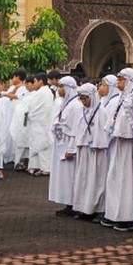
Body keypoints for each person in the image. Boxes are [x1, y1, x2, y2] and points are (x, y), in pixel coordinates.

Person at [102, 67, 133, 231]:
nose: (119, 82)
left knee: (127, 181)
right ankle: (114, 214)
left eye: (122, 79)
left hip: (130, 145)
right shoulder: (120, 97)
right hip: (118, 143)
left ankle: (128, 216)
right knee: (115, 179)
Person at [70, 83, 108, 220]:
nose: (83, 101)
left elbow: (103, 132)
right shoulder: (81, 111)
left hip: (96, 150)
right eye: (81, 99)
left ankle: (97, 209)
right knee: (83, 178)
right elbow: (77, 130)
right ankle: (83, 208)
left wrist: (97, 143)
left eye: (85, 98)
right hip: (83, 148)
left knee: (96, 179)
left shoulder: (100, 112)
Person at [49, 76, 80, 215]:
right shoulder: (65, 103)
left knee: (70, 175)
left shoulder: (75, 105)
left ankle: (73, 203)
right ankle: (68, 202)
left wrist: (72, 148)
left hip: (68, 145)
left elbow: (76, 129)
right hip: (61, 143)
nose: (59, 89)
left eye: (61, 86)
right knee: (64, 176)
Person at [25, 73, 54, 177]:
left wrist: (30, 114)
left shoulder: (43, 92)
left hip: (41, 123)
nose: (34, 84)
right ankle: (36, 166)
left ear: (41, 81)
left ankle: (45, 168)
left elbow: (39, 109)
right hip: (38, 123)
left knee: (42, 146)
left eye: (35, 81)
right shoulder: (44, 92)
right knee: (37, 145)